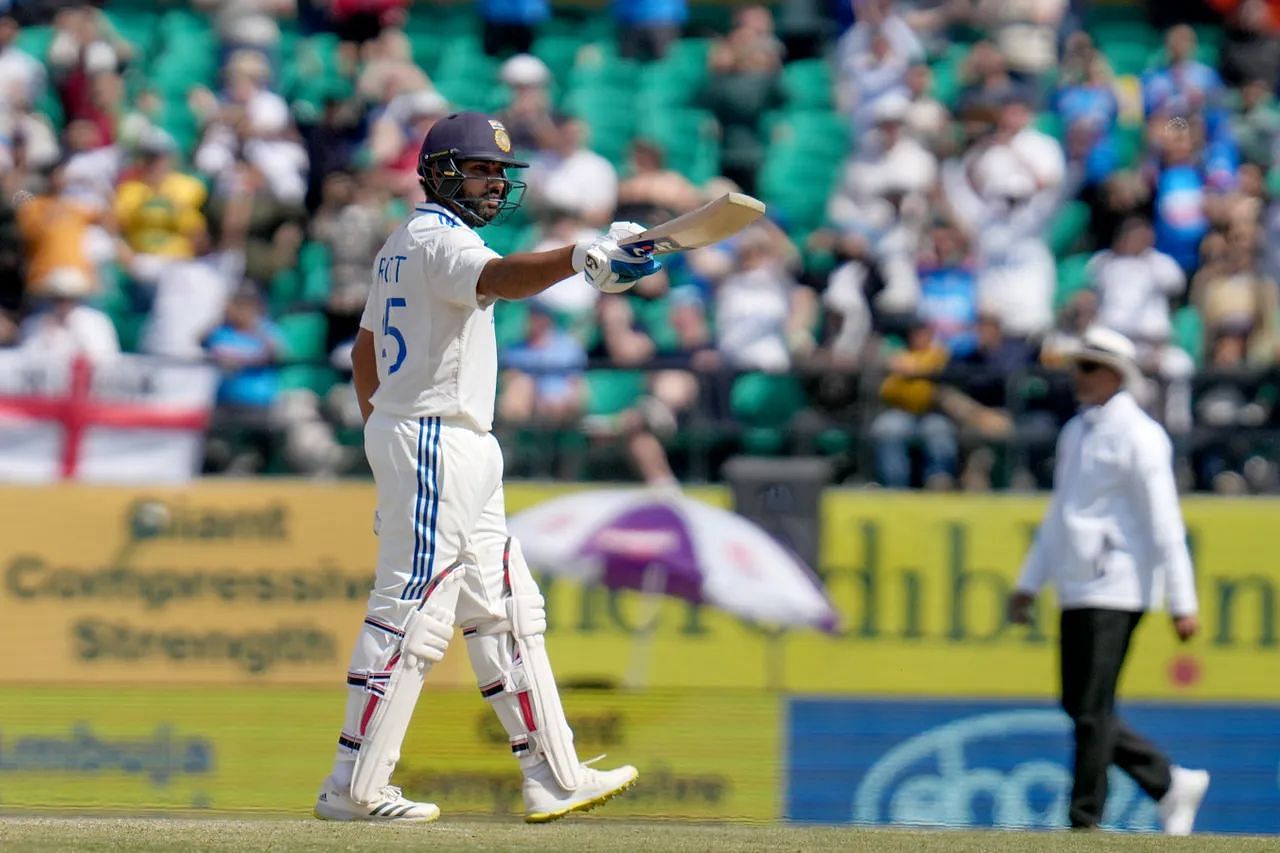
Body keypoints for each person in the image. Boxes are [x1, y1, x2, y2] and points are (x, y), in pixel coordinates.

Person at [314, 111, 658, 823]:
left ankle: (554, 775)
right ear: (440, 171)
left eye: (501, 173)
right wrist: (580, 259)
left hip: (442, 439)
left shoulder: (402, 244)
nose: (495, 183)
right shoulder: (441, 240)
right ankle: (354, 784)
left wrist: (387, 438)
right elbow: (498, 278)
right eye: (481, 169)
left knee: (506, 609)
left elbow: (363, 356)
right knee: (412, 613)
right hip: (439, 437)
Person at [1006, 326, 1211, 836]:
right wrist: (1029, 582)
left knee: (1093, 709)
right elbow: (1061, 514)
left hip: (1119, 584)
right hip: (1077, 584)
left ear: (1116, 375)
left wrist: (1182, 601)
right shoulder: (1076, 431)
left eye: (1088, 367)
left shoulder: (1141, 435)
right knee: (1078, 705)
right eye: (1078, 367)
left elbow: (1166, 521)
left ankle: (1084, 820)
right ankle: (1167, 782)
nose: (1079, 377)